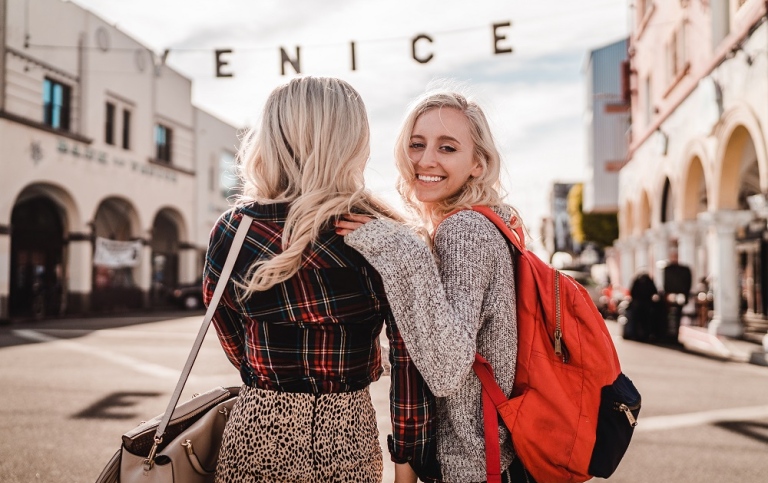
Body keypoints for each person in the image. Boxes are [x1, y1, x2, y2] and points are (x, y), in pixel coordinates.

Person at [203, 76, 435, 482]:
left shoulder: (235, 229)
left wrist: (272, 375)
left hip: (256, 434)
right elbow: (407, 363)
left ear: (273, 137)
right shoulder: (380, 235)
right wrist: (407, 466)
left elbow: (229, 335)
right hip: (349, 436)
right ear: (352, 143)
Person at [336, 89, 534, 482]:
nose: (426, 160)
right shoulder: (488, 221)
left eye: (447, 148)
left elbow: (446, 369)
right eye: (416, 144)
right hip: (495, 458)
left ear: (477, 163)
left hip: (474, 467)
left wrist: (399, 249)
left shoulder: (464, 231)